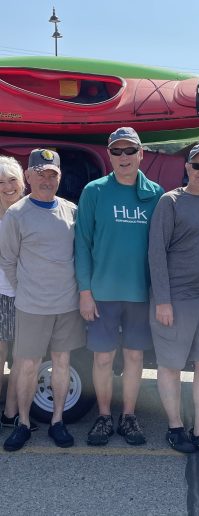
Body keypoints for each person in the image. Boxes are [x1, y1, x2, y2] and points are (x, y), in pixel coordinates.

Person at [75, 127, 164, 446]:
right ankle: (102, 416)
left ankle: (128, 416)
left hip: (141, 294)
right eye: (117, 151)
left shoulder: (156, 193)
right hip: (102, 294)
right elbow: (82, 244)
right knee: (102, 359)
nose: (124, 157)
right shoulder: (94, 191)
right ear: (108, 155)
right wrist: (85, 291)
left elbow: (163, 246)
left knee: (135, 359)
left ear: (142, 154)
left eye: (130, 151)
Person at [148, 143, 199, 458]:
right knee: (170, 366)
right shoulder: (170, 202)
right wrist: (163, 301)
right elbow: (156, 253)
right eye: (198, 165)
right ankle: (174, 428)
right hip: (176, 298)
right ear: (187, 167)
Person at [0, 149, 85, 451]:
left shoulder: (71, 211)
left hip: (67, 305)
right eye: (41, 173)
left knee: (62, 363)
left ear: (59, 178)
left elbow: (80, 255)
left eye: (53, 174)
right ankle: (22, 423)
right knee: (26, 366)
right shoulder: (16, 214)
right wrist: (26, 290)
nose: (47, 179)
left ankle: (57, 421)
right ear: (28, 175)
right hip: (31, 305)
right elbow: (8, 260)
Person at [0, 156, 38, 431]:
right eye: (0, 182)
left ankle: (10, 413)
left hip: (25, 297)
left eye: (12, 179)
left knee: (21, 357)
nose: (7, 186)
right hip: (1, 294)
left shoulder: (30, 212)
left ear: (22, 182)